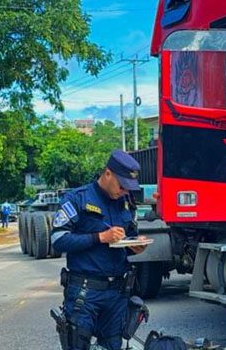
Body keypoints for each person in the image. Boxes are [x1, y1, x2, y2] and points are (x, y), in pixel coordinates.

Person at [51, 149, 149, 350]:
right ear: (107, 174)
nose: (124, 191)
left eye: (128, 188)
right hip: (85, 292)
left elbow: (127, 240)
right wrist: (99, 237)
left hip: (117, 293)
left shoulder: (125, 204)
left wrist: (136, 246)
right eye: (122, 186)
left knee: (113, 346)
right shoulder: (77, 199)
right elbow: (58, 240)